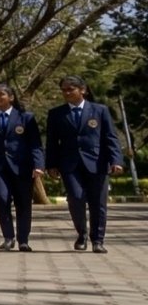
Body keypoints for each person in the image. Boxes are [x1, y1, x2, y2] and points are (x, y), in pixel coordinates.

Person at [45, 75, 125, 253]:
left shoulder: (100, 110)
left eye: (70, 89)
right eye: (64, 90)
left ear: (83, 90)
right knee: (75, 198)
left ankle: (98, 240)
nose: (66, 92)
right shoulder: (56, 114)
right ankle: (82, 234)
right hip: (69, 164)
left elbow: (110, 138)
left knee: (98, 203)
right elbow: (51, 142)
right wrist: (51, 164)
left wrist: (116, 160)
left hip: (97, 163)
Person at [0, 82, 44, 251]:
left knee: (23, 203)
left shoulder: (26, 117)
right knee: (2, 199)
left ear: (11, 97)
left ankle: (23, 240)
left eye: (1, 94)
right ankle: (8, 237)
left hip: (22, 167)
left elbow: (35, 144)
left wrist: (39, 165)